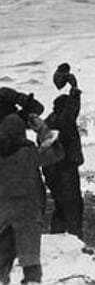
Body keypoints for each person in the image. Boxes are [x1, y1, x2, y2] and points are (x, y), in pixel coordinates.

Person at [0, 111, 57, 285]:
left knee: (3, 255)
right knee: (30, 258)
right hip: (29, 211)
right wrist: (42, 129)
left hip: (4, 212)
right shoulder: (29, 152)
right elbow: (56, 153)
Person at [42, 64, 84, 238]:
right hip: (66, 168)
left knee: (60, 205)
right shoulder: (65, 120)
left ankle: (56, 237)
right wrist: (74, 86)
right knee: (74, 205)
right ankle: (75, 238)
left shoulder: (48, 122)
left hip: (51, 170)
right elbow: (72, 109)